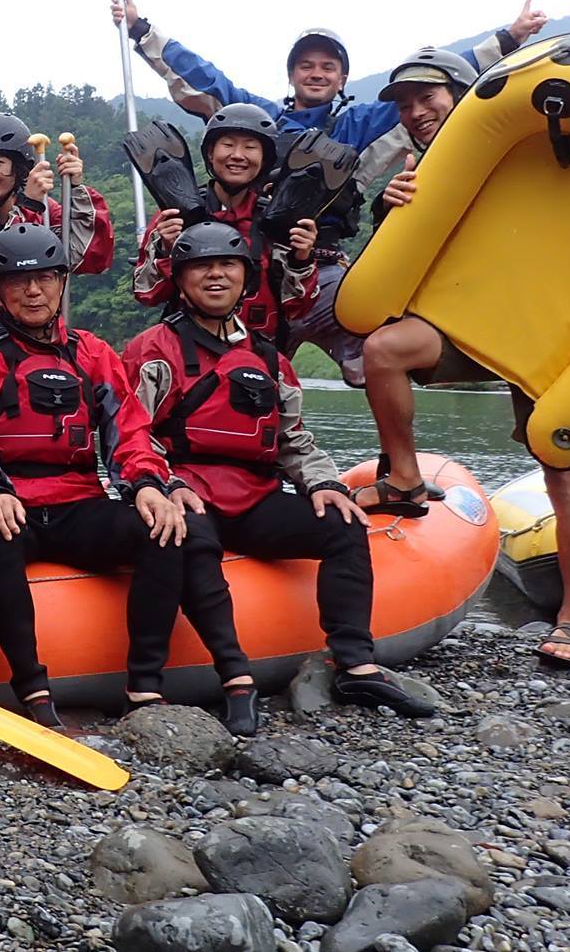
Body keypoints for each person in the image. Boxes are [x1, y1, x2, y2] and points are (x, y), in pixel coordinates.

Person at [353, 46, 570, 669]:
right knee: (383, 350)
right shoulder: (427, 170)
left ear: (465, 94)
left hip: (562, 333)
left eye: (427, 97)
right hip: (472, 317)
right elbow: (397, 271)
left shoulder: (544, 146)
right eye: (405, 105)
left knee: (561, 471)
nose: (415, 113)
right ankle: (405, 480)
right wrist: (390, 209)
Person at [113, 0, 549, 382]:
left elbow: (436, 84)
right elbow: (203, 77)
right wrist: (141, 29)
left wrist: (509, 38)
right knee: (244, 376)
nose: (316, 74)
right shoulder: (258, 121)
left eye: (328, 67)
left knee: (378, 358)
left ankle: (396, 468)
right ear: (292, 76)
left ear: (342, 79)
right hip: (258, 276)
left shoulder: (362, 125)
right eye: (306, 65)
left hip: (325, 276)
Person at [0, 224, 258, 733]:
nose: (33, 291)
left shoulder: (92, 353)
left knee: (162, 530)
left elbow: (128, 432)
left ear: (62, 283)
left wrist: (149, 484)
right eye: (18, 282)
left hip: (76, 500)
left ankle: (144, 685)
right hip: (9, 498)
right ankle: (33, 689)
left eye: (45, 278)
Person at [125, 222, 436, 720]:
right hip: (188, 488)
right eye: (201, 267)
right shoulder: (152, 350)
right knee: (189, 539)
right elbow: (130, 432)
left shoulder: (268, 358)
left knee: (343, 526)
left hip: (254, 495)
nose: (215, 276)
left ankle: (355, 664)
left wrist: (327, 484)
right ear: (181, 280)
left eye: (227, 266)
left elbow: (293, 439)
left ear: (245, 279)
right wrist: (165, 485)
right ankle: (236, 679)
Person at [131, 102, 318, 344]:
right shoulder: (175, 216)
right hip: (188, 350)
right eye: (228, 145)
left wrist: (301, 258)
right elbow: (147, 293)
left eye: (250, 147)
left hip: (261, 352)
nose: (238, 155)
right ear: (210, 153)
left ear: (265, 159)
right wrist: (167, 249)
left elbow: (297, 307)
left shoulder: (280, 223)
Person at [0, 111, 111, 342]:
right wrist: (28, 206)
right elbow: (6, 267)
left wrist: (76, 186)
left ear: (19, 169)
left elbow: (93, 259)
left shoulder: (48, 210)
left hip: (42, 340)